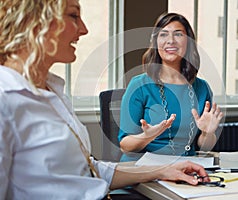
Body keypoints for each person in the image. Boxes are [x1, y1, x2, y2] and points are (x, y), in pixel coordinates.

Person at [0, 1, 210, 199]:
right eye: (73, 15)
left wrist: (163, 170)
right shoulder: (5, 99)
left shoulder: (52, 91)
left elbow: (89, 170)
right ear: (34, 21)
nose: (84, 29)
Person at [118, 13, 224, 162]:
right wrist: (146, 136)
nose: (170, 41)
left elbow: (203, 146)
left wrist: (207, 133)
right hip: (143, 167)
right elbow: (125, 145)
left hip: (187, 166)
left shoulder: (201, 88)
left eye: (178, 34)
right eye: (163, 35)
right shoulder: (139, 85)